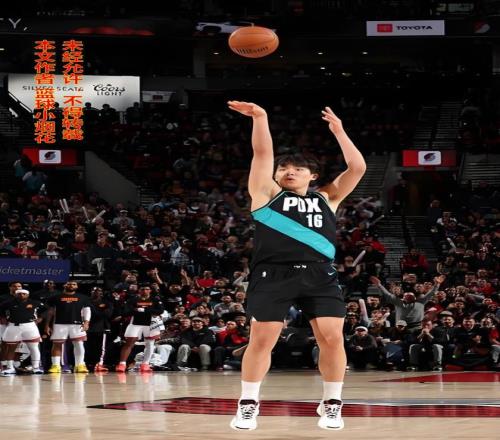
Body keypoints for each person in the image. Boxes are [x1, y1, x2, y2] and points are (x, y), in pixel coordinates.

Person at [227, 100, 366, 431]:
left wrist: (339, 131)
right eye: (284, 168)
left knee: (332, 338)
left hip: (319, 274)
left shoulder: (327, 198)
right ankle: (248, 404)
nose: (289, 171)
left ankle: (331, 404)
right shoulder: (266, 194)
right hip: (273, 274)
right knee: (262, 340)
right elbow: (262, 154)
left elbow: (357, 167)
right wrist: (260, 117)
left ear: (313, 176)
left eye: (298, 168)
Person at [115, 284, 164, 373]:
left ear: (150, 290)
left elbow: (160, 311)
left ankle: (145, 364)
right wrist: (136, 310)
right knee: (129, 342)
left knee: (150, 344)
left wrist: (145, 310)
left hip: (151, 323)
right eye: (142, 289)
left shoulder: (155, 299)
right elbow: (126, 312)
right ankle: (122, 364)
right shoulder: (133, 300)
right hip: (135, 323)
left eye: (147, 289)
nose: (144, 291)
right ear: (139, 290)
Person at [45, 281, 92, 373]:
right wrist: (47, 325)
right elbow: (50, 312)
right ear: (64, 285)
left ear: (77, 286)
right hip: (59, 324)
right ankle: (55, 365)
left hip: (77, 324)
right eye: (69, 284)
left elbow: (87, 310)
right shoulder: (55, 297)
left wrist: (86, 322)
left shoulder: (83, 297)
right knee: (57, 344)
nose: (71, 285)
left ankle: (79, 365)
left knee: (79, 344)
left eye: (74, 284)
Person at [0, 289, 44, 375]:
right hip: (13, 325)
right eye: (19, 294)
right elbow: (1, 311)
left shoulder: (34, 302)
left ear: (28, 295)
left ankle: (36, 368)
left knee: (34, 347)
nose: (21, 295)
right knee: (10, 347)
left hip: (30, 326)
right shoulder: (7, 303)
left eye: (24, 294)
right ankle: (10, 368)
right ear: (15, 295)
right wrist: (3, 318)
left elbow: (47, 309)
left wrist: (41, 317)